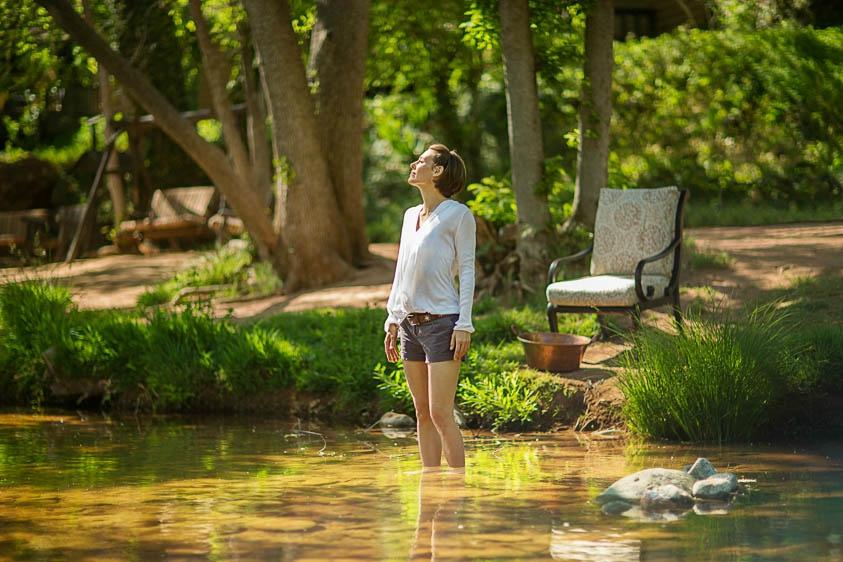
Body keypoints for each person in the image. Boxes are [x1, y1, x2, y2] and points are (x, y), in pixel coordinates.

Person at [383, 143, 476, 472]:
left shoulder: (459, 215)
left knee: (440, 413)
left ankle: (458, 488)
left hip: (443, 324)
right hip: (409, 325)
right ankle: (431, 488)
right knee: (422, 412)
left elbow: (467, 270)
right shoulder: (410, 217)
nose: (413, 164)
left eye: (420, 161)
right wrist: (392, 319)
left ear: (437, 171)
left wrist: (464, 324)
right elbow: (401, 269)